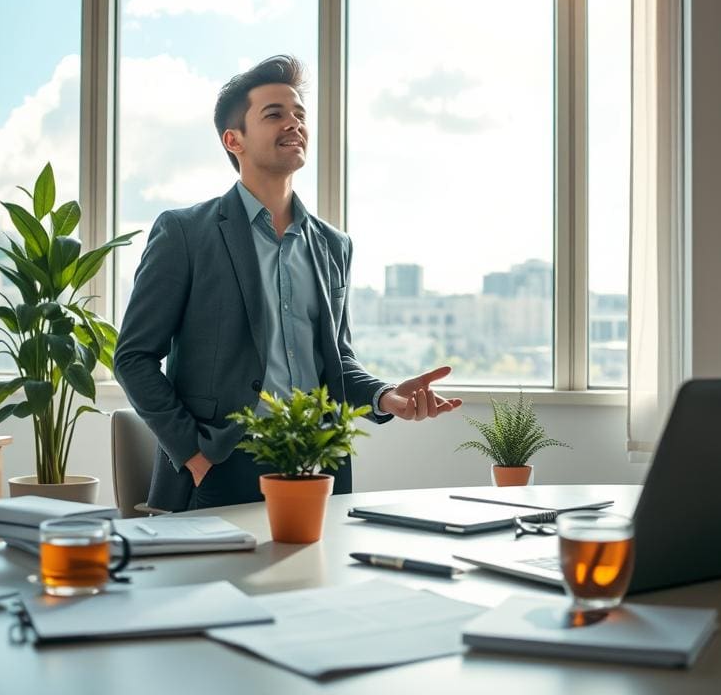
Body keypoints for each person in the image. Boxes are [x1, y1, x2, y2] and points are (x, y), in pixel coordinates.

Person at [114, 54, 462, 511]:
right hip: (220, 466)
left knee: (316, 583)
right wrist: (195, 455)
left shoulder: (334, 246)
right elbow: (133, 358)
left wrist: (386, 397)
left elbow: (336, 361)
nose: (294, 123)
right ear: (233, 139)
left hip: (319, 465)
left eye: (299, 114)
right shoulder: (185, 233)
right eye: (274, 114)